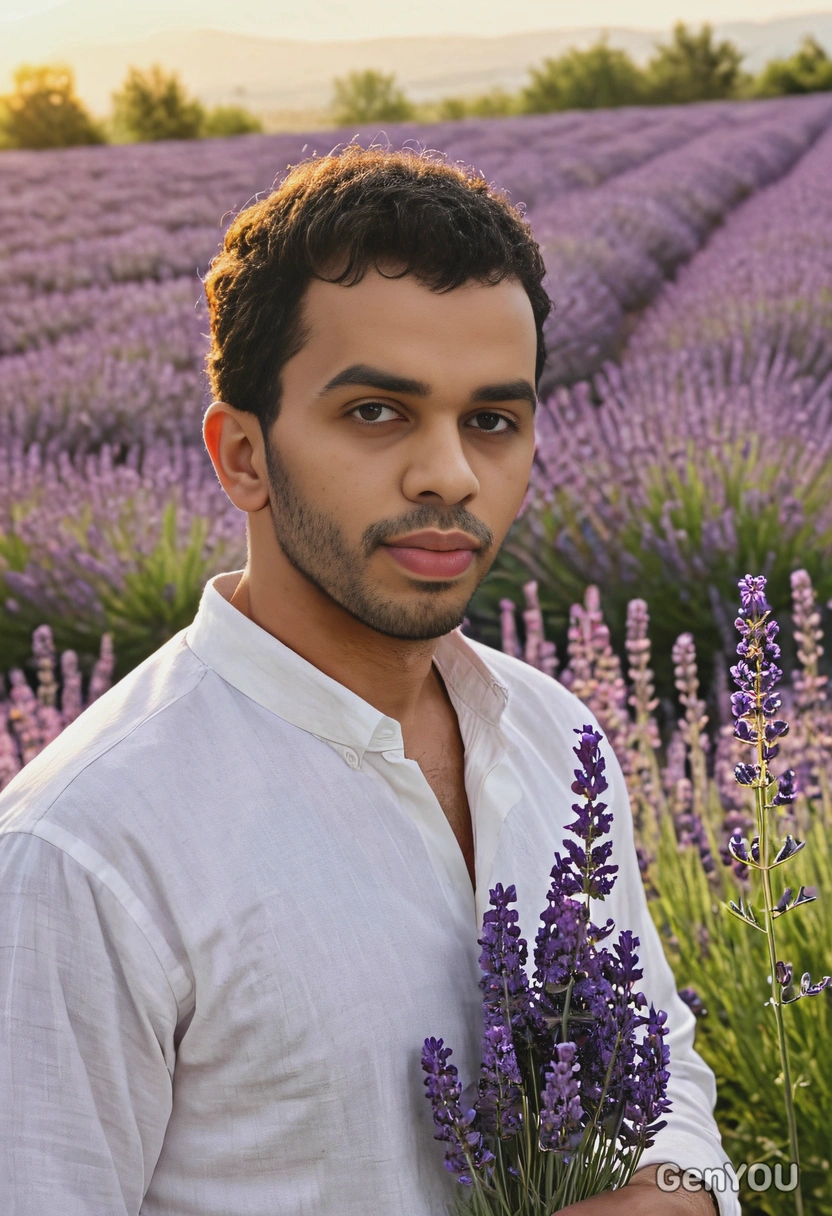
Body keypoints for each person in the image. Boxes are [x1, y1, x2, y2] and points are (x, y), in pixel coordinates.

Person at [0, 146, 735, 1215]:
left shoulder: (551, 733)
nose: (449, 472)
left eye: (491, 419)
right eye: (377, 412)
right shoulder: (82, 857)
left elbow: (657, 1047)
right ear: (242, 455)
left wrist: (677, 1191)